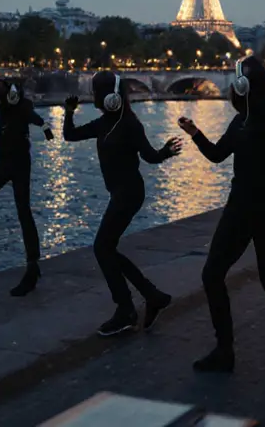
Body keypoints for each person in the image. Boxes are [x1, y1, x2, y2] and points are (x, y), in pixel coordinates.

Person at [178, 56, 265, 376]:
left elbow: (241, 147)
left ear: (243, 84)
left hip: (253, 204)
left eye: (237, 81)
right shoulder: (250, 117)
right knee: (249, 277)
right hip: (256, 203)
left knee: (235, 275)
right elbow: (216, 155)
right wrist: (195, 132)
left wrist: (243, 109)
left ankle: (233, 348)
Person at [64, 72, 182, 337]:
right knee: (107, 249)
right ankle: (151, 296)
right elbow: (69, 135)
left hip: (129, 193)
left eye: (97, 91)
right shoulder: (105, 122)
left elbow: (149, 156)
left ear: (111, 96)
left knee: (102, 247)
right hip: (118, 192)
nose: (94, 96)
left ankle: (127, 309)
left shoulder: (129, 123)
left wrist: (165, 151)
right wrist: (68, 112)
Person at [0, 79, 53, 297]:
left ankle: (32, 267)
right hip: (3, 163)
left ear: (12, 95)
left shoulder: (22, 107)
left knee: (23, 212)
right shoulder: (4, 107)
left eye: (1, 92)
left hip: (20, 165)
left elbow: (34, 117)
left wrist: (45, 128)